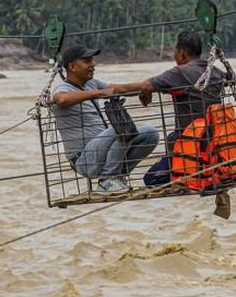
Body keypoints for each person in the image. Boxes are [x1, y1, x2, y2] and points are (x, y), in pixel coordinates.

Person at [100, 30, 225, 188]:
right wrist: (149, 90)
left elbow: (145, 85)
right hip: (215, 142)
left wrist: (113, 89)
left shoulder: (180, 72)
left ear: (181, 53)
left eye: (175, 51)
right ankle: (198, 175)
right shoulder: (213, 71)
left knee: (151, 179)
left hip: (191, 146)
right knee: (173, 139)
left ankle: (185, 177)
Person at [52, 44, 159, 194]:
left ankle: (117, 176)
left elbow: (118, 89)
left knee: (150, 132)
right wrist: (98, 93)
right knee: (120, 126)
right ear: (72, 67)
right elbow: (61, 99)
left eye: (92, 60)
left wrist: (147, 88)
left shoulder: (91, 84)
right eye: (87, 61)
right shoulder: (63, 89)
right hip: (84, 160)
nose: (93, 65)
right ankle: (107, 180)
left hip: (103, 152)